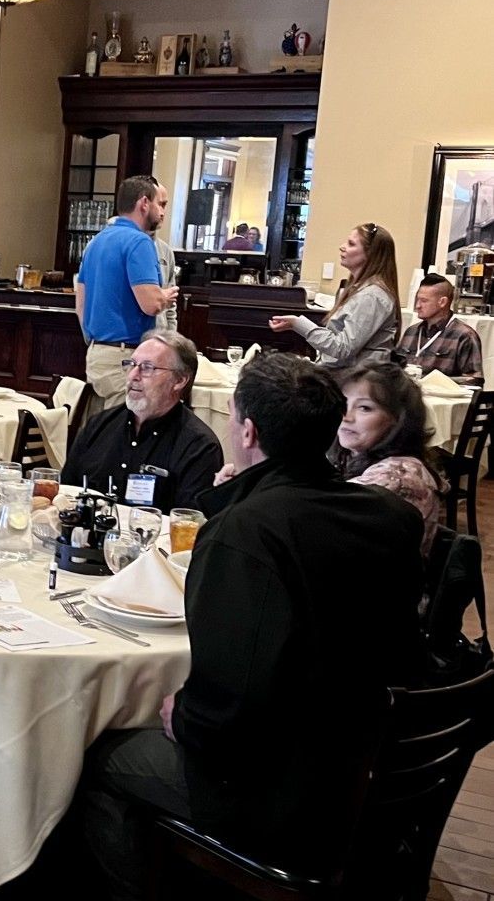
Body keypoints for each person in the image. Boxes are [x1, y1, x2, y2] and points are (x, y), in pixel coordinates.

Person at [79, 353, 424, 900]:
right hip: (370, 766)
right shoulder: (391, 517)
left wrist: (185, 718)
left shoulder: (244, 533)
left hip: (281, 789)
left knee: (95, 754)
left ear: (247, 430)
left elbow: (230, 711)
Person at [61, 330, 222, 511]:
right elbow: (67, 493)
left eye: (147, 368)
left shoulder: (199, 447)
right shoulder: (98, 425)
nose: (133, 376)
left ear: (179, 380)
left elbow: (189, 523)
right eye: (131, 364)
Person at [75, 175, 178, 412]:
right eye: (158, 204)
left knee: (107, 429)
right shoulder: (138, 242)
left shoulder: (97, 241)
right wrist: (165, 296)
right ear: (144, 203)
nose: (161, 212)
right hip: (125, 357)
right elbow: (150, 305)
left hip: (98, 353)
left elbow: (81, 303)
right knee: (126, 434)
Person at [331, 362, 447, 558]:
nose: (346, 417)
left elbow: (318, 524)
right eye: (343, 404)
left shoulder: (396, 476)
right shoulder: (356, 457)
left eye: (365, 408)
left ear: (398, 419)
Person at [269, 222, 400, 367]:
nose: (342, 247)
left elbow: (342, 348)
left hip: (357, 381)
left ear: (370, 254)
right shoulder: (360, 290)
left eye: (351, 244)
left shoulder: (372, 296)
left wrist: (299, 324)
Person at [399, 273, 484, 386]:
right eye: (417, 300)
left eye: (424, 301)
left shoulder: (464, 336)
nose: (417, 305)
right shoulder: (411, 332)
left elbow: (474, 381)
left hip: (442, 401)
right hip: (406, 399)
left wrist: (434, 382)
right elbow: (395, 367)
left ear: (442, 302)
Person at [154, 236, 177, 331]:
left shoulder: (165, 250)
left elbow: (171, 305)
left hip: (160, 333)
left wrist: (172, 335)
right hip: (129, 337)